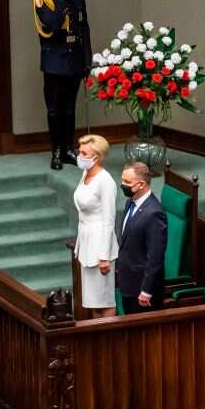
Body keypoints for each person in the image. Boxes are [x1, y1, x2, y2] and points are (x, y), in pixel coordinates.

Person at [34, 0, 91, 171]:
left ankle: (68, 148)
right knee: (54, 109)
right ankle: (56, 150)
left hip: (74, 58)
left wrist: (87, 58)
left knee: (69, 108)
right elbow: (52, 25)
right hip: (54, 61)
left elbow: (84, 27)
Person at [72, 134, 118, 317]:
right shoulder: (86, 174)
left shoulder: (105, 181)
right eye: (80, 152)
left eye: (84, 153)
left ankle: (108, 335)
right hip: (86, 243)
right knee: (92, 302)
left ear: (96, 157)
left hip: (100, 247)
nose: (79, 156)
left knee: (104, 301)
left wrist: (104, 256)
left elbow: (109, 220)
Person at [117, 162, 168, 313]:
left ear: (141, 184)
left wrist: (146, 291)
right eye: (122, 180)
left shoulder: (154, 213)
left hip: (141, 291)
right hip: (128, 282)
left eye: (127, 182)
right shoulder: (130, 202)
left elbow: (155, 257)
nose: (123, 185)